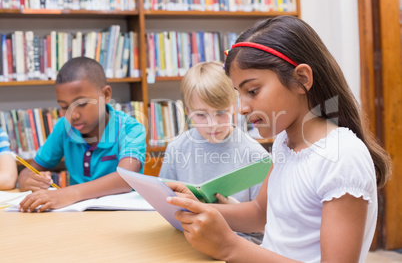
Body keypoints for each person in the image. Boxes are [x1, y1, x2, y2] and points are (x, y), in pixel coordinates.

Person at [166, 16, 392, 263]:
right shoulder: (286, 143)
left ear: (301, 79)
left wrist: (230, 246)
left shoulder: (341, 157)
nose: (241, 108)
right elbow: (260, 212)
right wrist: (198, 209)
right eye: (239, 94)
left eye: (252, 91)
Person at [159, 61, 269, 243]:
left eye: (220, 112)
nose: (213, 124)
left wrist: (234, 211)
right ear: (188, 112)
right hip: (187, 238)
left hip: (238, 242)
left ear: (234, 106)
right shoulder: (177, 148)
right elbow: (164, 202)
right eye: (201, 115)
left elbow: (266, 226)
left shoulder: (255, 155)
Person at [17, 57, 146, 212]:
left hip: (124, 216)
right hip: (79, 216)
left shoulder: (131, 129)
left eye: (82, 104)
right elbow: (28, 170)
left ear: (106, 95)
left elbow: (126, 179)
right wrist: (27, 181)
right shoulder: (63, 128)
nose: (73, 115)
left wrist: (70, 193)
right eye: (64, 107)